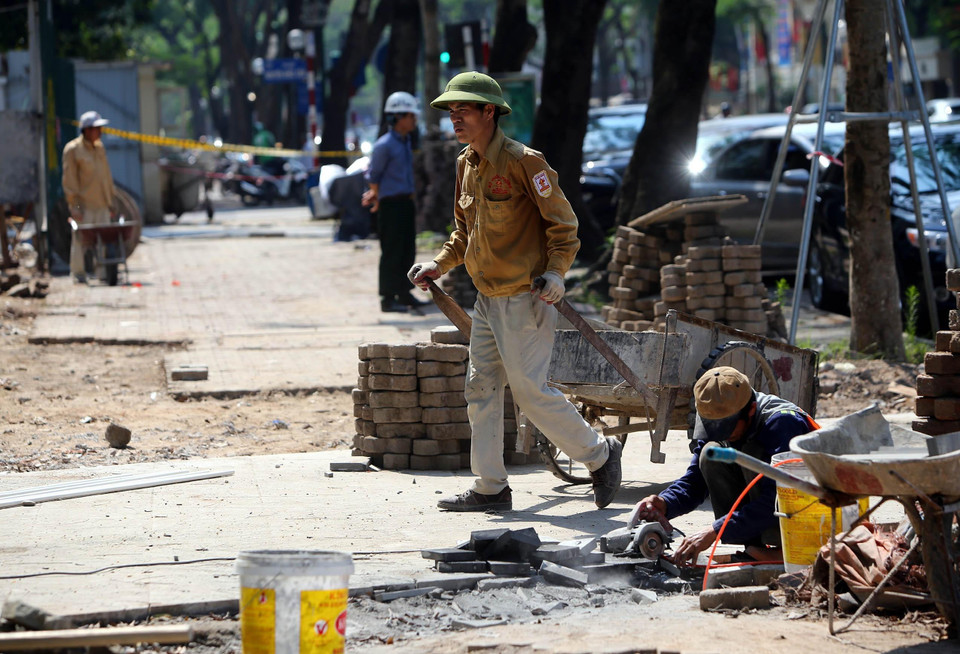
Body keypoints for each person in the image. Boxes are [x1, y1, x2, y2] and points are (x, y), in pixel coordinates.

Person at [408, 71, 622, 512]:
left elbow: (564, 228)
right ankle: (491, 488)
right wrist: (439, 265)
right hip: (486, 300)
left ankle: (600, 455)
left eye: (463, 109)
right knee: (480, 388)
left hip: (526, 299)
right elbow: (463, 232)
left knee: (529, 393)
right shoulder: (466, 163)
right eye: (451, 110)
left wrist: (558, 275)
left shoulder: (527, 163)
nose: (455, 118)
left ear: (490, 112)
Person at [629, 366, 819, 566]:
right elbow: (695, 481)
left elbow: (778, 497)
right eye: (714, 428)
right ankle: (756, 547)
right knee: (710, 454)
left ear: (751, 410)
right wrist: (665, 503)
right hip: (775, 508)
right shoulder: (719, 424)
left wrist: (716, 530)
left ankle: (786, 551)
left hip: (811, 517)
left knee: (751, 454)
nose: (721, 434)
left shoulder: (783, 424)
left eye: (727, 429)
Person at [364, 91, 425, 313]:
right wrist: (376, 197)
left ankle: (404, 292)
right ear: (397, 117)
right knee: (391, 250)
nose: (414, 120)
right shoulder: (384, 145)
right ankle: (388, 298)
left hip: (406, 203)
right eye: (410, 116)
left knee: (407, 248)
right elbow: (373, 175)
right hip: (390, 205)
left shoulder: (405, 141)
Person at [62, 110, 116, 283]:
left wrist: (111, 203)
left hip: (101, 204)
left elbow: (106, 177)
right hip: (84, 206)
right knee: (80, 242)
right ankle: (78, 274)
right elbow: (70, 182)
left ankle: (102, 274)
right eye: (96, 128)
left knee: (103, 242)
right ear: (86, 130)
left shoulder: (99, 148)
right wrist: (76, 208)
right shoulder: (73, 150)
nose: (100, 132)